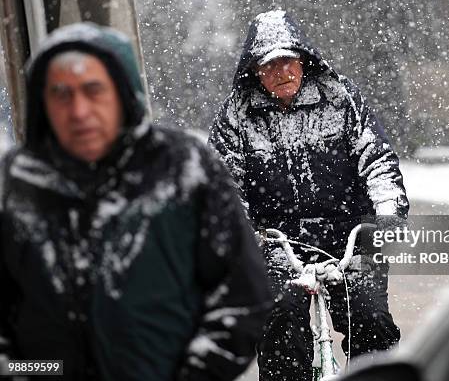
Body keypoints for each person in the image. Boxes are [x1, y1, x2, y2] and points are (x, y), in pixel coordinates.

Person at [0, 22, 272, 381]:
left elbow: (243, 297)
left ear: (123, 93)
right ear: (42, 103)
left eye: (93, 90)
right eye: (61, 93)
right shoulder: (14, 185)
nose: (78, 110)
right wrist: (35, 373)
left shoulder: (184, 168)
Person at [209, 10, 409, 381]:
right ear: (254, 72)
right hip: (276, 244)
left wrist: (387, 213)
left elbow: (376, 159)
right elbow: (223, 186)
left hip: (348, 238)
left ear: (303, 60)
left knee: (371, 318)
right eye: (269, 66)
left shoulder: (341, 98)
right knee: (279, 318)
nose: (281, 73)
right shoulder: (237, 116)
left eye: (287, 62)